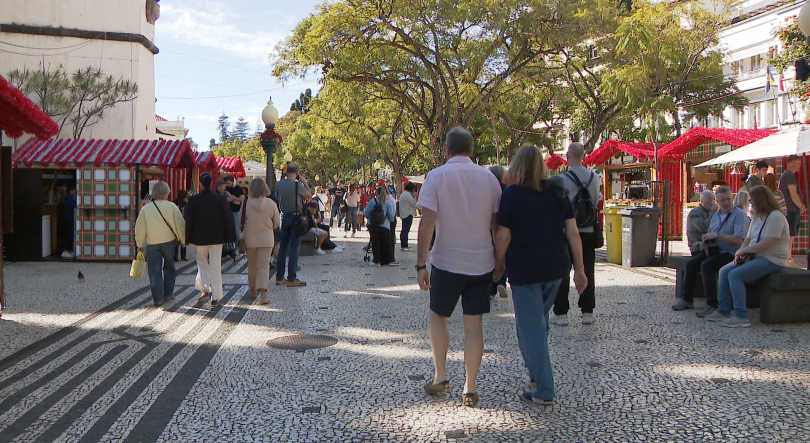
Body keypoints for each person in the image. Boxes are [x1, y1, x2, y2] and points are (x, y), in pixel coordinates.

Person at [493, 144, 587, 406]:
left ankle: (544, 388)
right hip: (556, 268)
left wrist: (498, 265)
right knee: (539, 321)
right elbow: (573, 233)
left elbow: (503, 235)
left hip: (525, 269)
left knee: (530, 327)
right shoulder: (558, 192)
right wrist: (579, 269)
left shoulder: (511, 194)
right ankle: (535, 375)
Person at [416, 127, 502, 408]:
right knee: (473, 325)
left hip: (446, 261)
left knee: (438, 316)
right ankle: (470, 387)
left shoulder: (436, 176)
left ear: (447, 150)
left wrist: (420, 264)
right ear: (472, 150)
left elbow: (427, 222)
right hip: (481, 262)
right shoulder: (489, 178)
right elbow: (496, 226)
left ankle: (440, 375)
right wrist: (500, 265)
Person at [706, 186, 790, 327]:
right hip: (756, 256)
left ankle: (741, 315)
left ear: (760, 200)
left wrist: (744, 251)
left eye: (752, 201)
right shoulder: (758, 216)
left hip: (772, 259)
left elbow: (767, 243)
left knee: (735, 275)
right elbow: (748, 238)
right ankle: (724, 310)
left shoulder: (776, 216)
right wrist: (741, 252)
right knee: (724, 271)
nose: (751, 204)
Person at [672, 186, 750, 316]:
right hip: (715, 250)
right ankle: (687, 299)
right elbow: (711, 234)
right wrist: (701, 243)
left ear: (733, 199)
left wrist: (718, 236)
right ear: (717, 202)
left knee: (707, 266)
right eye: (722, 200)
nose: (726, 202)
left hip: (732, 253)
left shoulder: (739, 215)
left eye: (728, 199)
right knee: (691, 264)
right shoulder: (716, 216)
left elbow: (740, 240)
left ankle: (712, 304)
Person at [549, 142, 601, 326]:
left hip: (566, 231)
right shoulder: (596, 178)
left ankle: (561, 312)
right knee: (588, 269)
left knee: (563, 270)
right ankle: (587, 311)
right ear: (584, 155)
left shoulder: (561, 180)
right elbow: (595, 202)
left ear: (568, 156)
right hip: (588, 231)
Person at [186, 173, 236, 308]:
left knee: (201, 262)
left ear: (201, 184)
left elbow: (189, 219)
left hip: (200, 237)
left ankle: (205, 288)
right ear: (212, 182)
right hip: (217, 237)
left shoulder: (194, 199)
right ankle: (215, 296)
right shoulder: (220, 199)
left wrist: (187, 237)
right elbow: (227, 217)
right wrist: (230, 236)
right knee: (216, 265)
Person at [135, 181, 186, 307]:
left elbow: (140, 227)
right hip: (169, 242)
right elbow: (180, 224)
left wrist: (140, 244)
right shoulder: (172, 206)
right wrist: (183, 240)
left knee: (154, 270)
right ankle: (168, 293)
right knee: (169, 267)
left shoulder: (146, 208)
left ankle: (157, 298)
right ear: (167, 192)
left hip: (152, 242)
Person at [242, 178, 280, 305]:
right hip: (266, 239)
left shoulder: (246, 203)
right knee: (264, 266)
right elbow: (277, 223)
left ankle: (252, 290)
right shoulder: (271, 204)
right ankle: (263, 295)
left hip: (250, 239)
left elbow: (241, 221)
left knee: (252, 265)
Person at [275, 163, 311, 287]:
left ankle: (279, 277)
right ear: (297, 173)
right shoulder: (298, 185)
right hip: (296, 217)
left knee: (283, 247)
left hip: (284, 216)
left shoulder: (279, 185)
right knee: (294, 248)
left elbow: (278, 197)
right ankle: (292, 278)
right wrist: (304, 181)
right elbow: (308, 195)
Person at [778, 155, 806, 267]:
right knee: (790, 235)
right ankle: (787, 259)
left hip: (790, 209)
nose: (800, 165)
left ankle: (788, 258)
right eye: (799, 163)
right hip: (791, 209)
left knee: (791, 235)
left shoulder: (787, 175)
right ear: (792, 162)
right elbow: (793, 194)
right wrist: (801, 206)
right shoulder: (789, 175)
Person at [488, 165, 509, 298]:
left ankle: (491, 288)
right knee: (503, 254)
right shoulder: (507, 190)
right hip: (505, 227)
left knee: (490, 256)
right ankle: (501, 281)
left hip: (489, 227)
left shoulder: (486, 190)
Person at [364, 186, 396, 266]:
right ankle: (389, 260)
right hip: (385, 226)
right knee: (387, 243)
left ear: (376, 193)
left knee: (375, 243)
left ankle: (377, 261)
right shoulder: (388, 203)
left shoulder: (372, 201)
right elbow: (391, 216)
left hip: (373, 225)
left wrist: (372, 218)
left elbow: (366, 213)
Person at [687, 191, 717, 256]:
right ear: (702, 200)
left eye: (714, 199)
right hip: (698, 247)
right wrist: (713, 213)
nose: (712, 201)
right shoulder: (696, 212)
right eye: (709, 198)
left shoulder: (709, 212)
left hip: (708, 246)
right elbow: (703, 227)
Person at [224, 175, 246, 252]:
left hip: (235, 211)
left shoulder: (239, 189)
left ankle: (237, 247)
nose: (227, 185)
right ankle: (228, 246)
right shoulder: (226, 189)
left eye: (228, 183)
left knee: (237, 229)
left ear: (233, 181)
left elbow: (242, 199)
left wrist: (233, 198)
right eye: (226, 183)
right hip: (226, 211)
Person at [399, 182, 418, 251]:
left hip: (404, 213)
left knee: (404, 229)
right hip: (407, 214)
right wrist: (415, 197)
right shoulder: (408, 195)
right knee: (406, 230)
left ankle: (404, 244)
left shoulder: (404, 194)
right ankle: (404, 245)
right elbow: (413, 204)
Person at [61, 185, 78, 258]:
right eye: (75, 190)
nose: (76, 191)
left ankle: (69, 250)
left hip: (67, 218)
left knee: (69, 234)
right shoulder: (70, 198)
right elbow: (76, 205)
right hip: (69, 218)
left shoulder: (67, 198)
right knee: (69, 235)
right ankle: (66, 251)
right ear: (72, 190)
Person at [173, 190, 189, 261]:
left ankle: (183, 256)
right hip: (175, 223)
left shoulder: (187, 204)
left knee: (183, 240)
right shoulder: (174, 204)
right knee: (176, 241)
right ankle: (175, 256)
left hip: (184, 223)